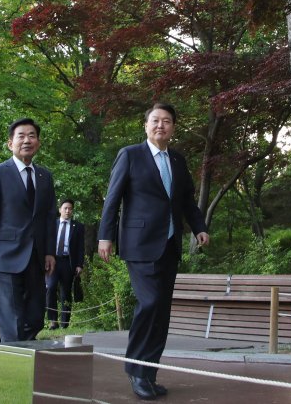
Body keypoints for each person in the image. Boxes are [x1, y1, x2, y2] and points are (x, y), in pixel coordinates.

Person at [98, 103, 210, 401]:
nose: (161, 125)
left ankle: (149, 372)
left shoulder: (177, 159)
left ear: (173, 127)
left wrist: (199, 226)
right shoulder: (130, 155)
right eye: (155, 120)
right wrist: (105, 237)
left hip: (170, 245)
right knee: (149, 303)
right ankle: (135, 370)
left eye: (167, 121)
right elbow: (113, 198)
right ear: (145, 125)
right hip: (139, 243)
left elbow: (186, 200)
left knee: (161, 310)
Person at [0, 118, 57, 343]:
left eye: (32, 136)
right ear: (10, 143)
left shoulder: (45, 176)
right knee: (11, 319)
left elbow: (50, 217)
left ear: (38, 143)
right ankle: (12, 372)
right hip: (3, 257)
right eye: (21, 136)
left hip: (36, 258)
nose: (27, 140)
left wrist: (50, 251)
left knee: (35, 318)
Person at [46, 198, 85, 329]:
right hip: (53, 262)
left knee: (66, 293)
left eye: (70, 209)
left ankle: (64, 323)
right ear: (60, 210)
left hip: (68, 263)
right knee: (50, 288)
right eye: (65, 208)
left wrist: (80, 264)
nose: (68, 211)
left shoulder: (78, 227)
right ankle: (52, 321)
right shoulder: (52, 224)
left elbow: (81, 247)